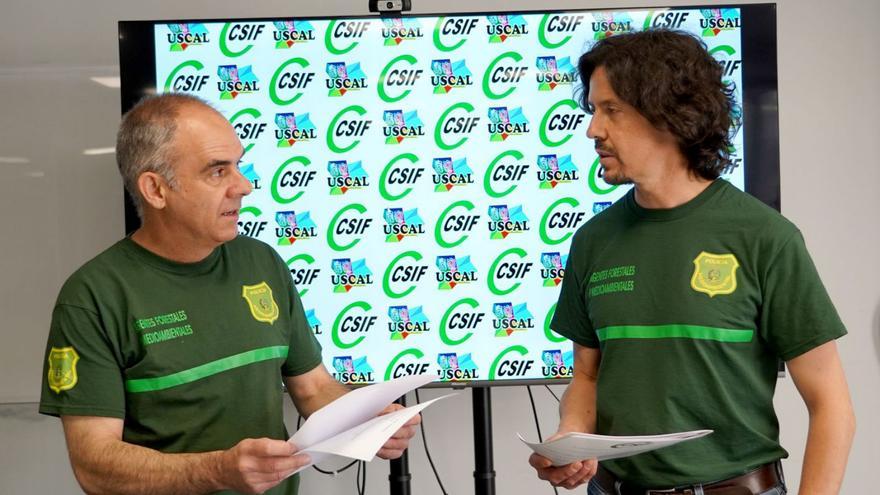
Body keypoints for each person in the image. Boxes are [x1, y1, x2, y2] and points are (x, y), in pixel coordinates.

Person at [39, 93, 419, 495]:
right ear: (155, 189)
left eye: (238, 165)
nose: (244, 186)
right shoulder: (93, 297)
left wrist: (364, 420)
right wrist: (217, 470)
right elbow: (94, 467)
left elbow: (313, 387)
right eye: (217, 172)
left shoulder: (261, 262)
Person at [529, 29, 855, 494]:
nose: (592, 129)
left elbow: (832, 406)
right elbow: (587, 375)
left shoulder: (765, 238)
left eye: (611, 110)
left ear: (668, 116)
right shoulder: (593, 241)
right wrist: (571, 438)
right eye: (594, 109)